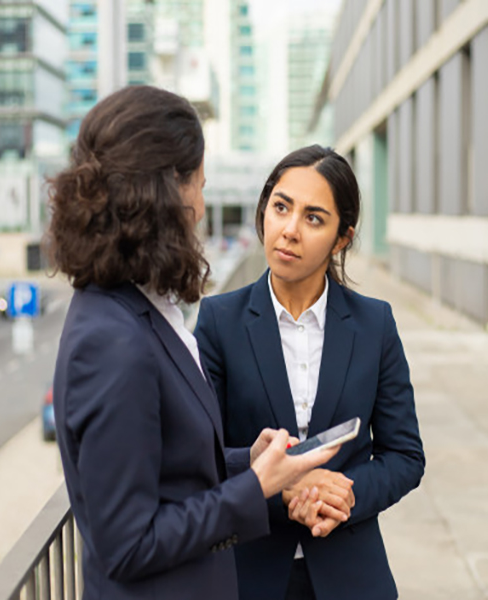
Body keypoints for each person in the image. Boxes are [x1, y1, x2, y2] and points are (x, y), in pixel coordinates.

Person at [46, 87, 339, 600]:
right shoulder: (114, 342)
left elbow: (163, 466)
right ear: (165, 196)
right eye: (199, 188)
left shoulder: (136, 308)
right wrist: (256, 488)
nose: (202, 209)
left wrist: (246, 462)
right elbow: (128, 545)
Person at [194, 145, 425, 600]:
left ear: (342, 238)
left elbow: (405, 455)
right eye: (281, 208)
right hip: (249, 575)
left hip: (352, 575)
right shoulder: (219, 321)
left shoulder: (374, 325)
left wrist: (345, 494)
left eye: (314, 218)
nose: (289, 230)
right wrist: (288, 490)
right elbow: (205, 456)